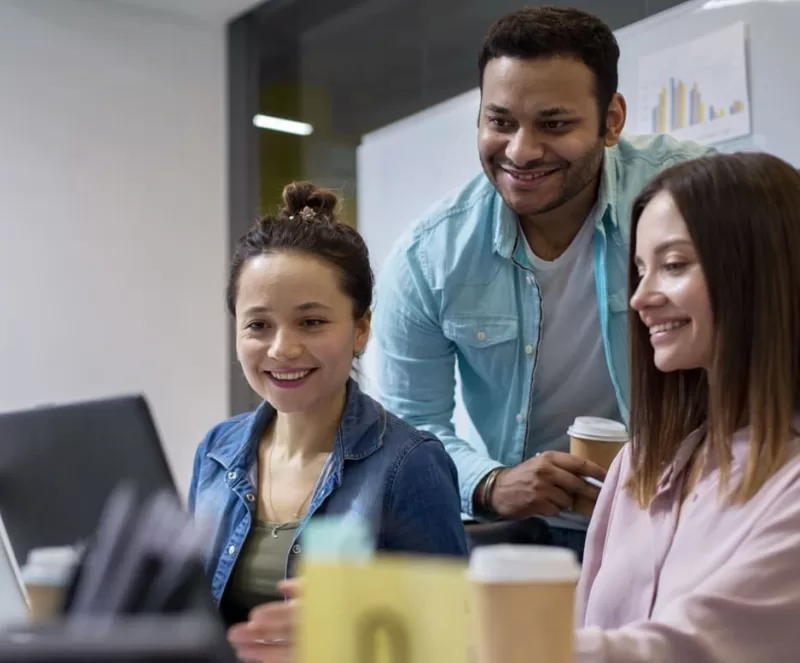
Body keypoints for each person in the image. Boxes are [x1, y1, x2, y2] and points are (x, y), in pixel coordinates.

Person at [369, 5, 713, 557]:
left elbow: (766, 332)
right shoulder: (429, 257)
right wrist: (491, 483)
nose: (521, 151)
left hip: (692, 511)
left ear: (612, 120)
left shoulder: (690, 192)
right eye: (500, 122)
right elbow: (410, 424)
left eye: (554, 125)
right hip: (537, 532)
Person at [188, 182, 468, 640]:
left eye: (311, 322)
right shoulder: (216, 452)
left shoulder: (409, 464)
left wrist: (343, 633)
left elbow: (452, 636)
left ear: (361, 329)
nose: (282, 349)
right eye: (259, 324)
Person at [576, 152, 800, 660]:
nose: (640, 298)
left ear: (760, 272)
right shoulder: (638, 463)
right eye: (640, 270)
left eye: (673, 265)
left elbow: (690, 649)